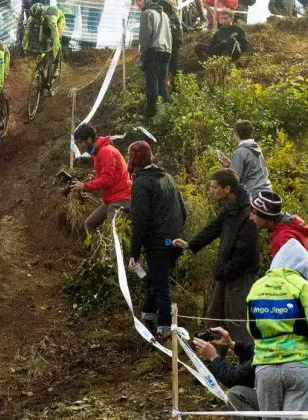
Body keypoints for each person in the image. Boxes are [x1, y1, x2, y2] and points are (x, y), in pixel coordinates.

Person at [172, 169, 259, 354]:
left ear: (227, 188)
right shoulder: (230, 208)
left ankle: (250, 365)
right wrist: (191, 244)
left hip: (240, 276)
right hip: (225, 274)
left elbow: (245, 254)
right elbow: (214, 228)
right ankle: (212, 362)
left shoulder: (247, 213)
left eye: (214, 187)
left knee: (237, 322)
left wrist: (224, 271)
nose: (211, 191)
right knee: (214, 318)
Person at [247, 239, 308, 416]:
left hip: (265, 367)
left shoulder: (256, 287)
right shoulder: (303, 286)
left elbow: (253, 330)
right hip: (299, 363)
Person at [192, 326, 308, 419]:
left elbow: (234, 378)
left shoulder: (274, 349)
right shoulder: (293, 334)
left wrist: (213, 357)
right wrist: (232, 344)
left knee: (236, 394)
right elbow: (256, 352)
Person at [127, 140, 186, 338]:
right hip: (173, 241)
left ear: (134, 161)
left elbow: (140, 223)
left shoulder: (141, 184)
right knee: (153, 278)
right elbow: (183, 210)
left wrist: (133, 253)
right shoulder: (167, 177)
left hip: (158, 242)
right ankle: (148, 317)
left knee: (160, 286)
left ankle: (164, 331)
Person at [250, 191, 308, 305]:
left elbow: (289, 279)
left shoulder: (283, 238)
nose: (250, 217)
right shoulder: (289, 226)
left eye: (254, 213)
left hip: (306, 298)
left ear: (267, 218)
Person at [70, 123, 132, 233]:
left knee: (113, 234)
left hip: (121, 198)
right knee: (89, 224)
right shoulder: (98, 153)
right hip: (111, 199)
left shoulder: (106, 152)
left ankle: (114, 249)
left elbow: (107, 179)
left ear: (89, 139)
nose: (80, 146)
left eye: (80, 142)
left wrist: (85, 186)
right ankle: (101, 250)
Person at [137, 0, 171, 119]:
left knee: (152, 84)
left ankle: (150, 115)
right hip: (166, 51)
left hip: (152, 51)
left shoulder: (146, 13)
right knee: (162, 83)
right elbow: (169, 34)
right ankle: (165, 114)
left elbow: (145, 37)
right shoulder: (165, 14)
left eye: (139, 0)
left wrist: (143, 53)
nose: (137, 3)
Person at [217, 120, 270, 197]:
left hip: (253, 195)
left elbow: (233, 179)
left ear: (236, 134)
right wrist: (229, 165)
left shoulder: (240, 152)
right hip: (267, 193)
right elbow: (251, 171)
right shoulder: (257, 149)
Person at [152, 0, 182, 89]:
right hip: (172, 36)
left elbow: (169, 22)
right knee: (171, 63)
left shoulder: (163, 4)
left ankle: (173, 87)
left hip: (172, 37)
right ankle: (172, 87)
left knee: (171, 64)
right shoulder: (161, 4)